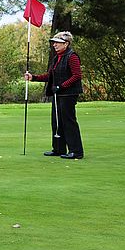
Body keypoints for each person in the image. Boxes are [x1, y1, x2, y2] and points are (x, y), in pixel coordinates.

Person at [24, 30, 84, 159]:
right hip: (58, 94)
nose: (54, 45)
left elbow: (77, 76)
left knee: (68, 122)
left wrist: (61, 86)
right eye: (54, 43)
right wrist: (33, 77)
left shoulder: (72, 56)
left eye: (58, 43)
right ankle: (58, 149)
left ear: (66, 44)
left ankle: (76, 151)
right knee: (56, 122)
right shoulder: (57, 58)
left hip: (68, 94)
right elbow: (49, 75)